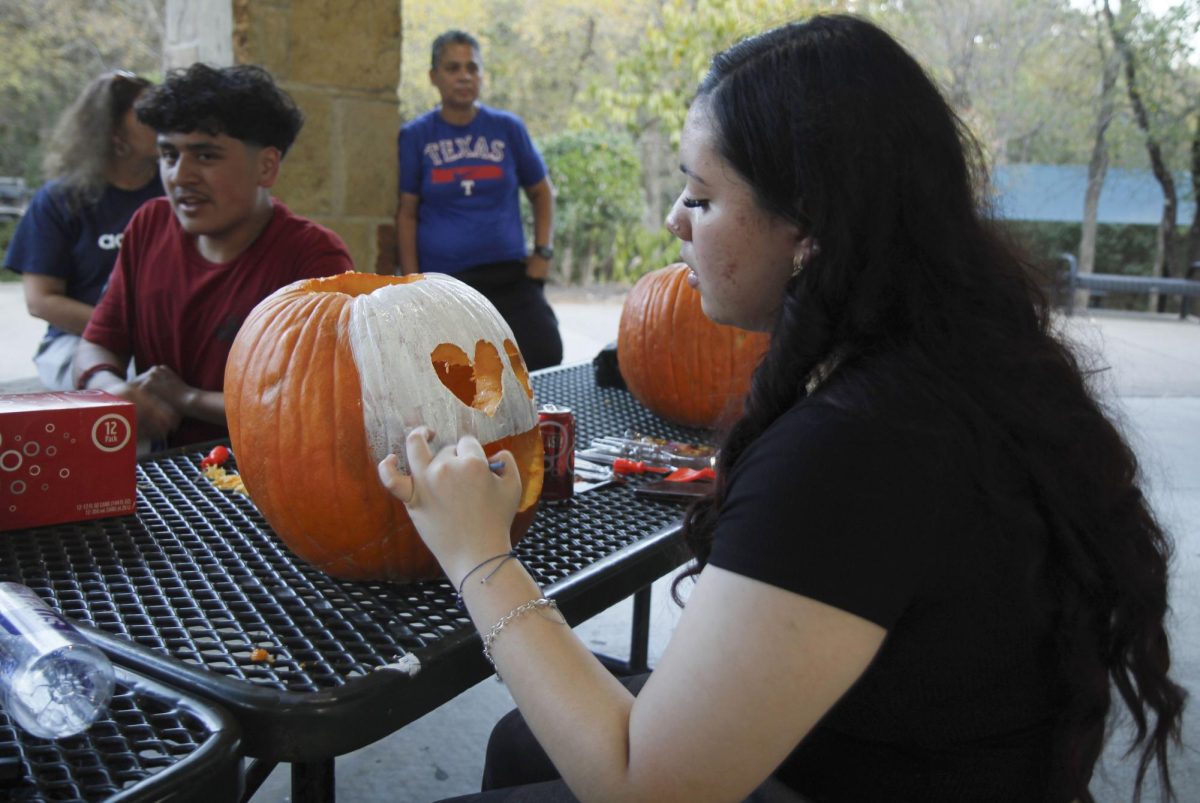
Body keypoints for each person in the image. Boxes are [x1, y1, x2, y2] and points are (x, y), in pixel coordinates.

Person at [377, 14, 1187, 803]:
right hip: (918, 743)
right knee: (522, 736)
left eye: (699, 197)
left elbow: (647, 783)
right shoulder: (948, 361)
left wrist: (478, 554)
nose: (673, 222)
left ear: (810, 227)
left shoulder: (856, 444)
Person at [75, 63, 353, 449]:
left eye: (205, 156)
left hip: (265, 472)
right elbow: (97, 343)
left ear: (266, 166)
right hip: (161, 471)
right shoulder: (149, 225)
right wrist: (113, 390)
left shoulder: (314, 260)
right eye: (169, 155)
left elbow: (315, 404)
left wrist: (188, 399)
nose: (180, 175)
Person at [396, 29, 563, 371]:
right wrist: (413, 284)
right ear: (434, 77)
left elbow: (541, 192)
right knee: (459, 372)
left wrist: (542, 254)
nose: (464, 77)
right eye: (453, 68)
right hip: (446, 283)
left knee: (546, 351)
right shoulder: (415, 136)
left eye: (472, 68)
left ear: (482, 76)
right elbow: (407, 213)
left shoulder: (507, 128)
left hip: (510, 277)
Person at [3, 70, 162, 391]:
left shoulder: (176, 193)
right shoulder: (61, 199)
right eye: (148, 113)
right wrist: (124, 331)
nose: (163, 121)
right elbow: (41, 300)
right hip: (75, 340)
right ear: (114, 130)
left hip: (162, 343)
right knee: (127, 397)